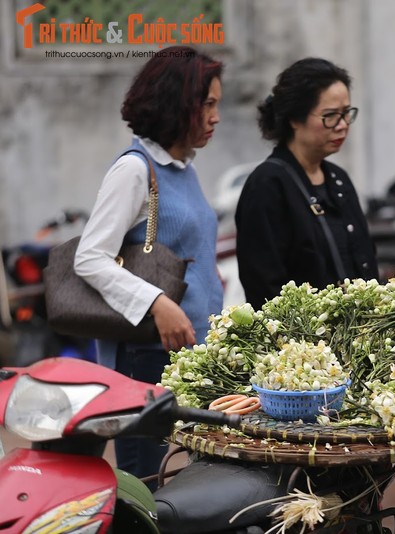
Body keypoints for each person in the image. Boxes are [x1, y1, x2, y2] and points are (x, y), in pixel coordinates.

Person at [74, 46, 224, 488]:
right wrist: (157, 303)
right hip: (146, 359)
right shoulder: (135, 171)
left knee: (184, 490)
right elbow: (90, 257)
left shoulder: (185, 170)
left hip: (187, 356)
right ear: (178, 103)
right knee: (149, 489)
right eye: (208, 104)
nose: (216, 116)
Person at [235, 58, 378, 306]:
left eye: (346, 114)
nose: (342, 125)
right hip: (302, 341)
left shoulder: (338, 179)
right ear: (295, 118)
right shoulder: (267, 185)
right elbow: (263, 289)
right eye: (330, 116)